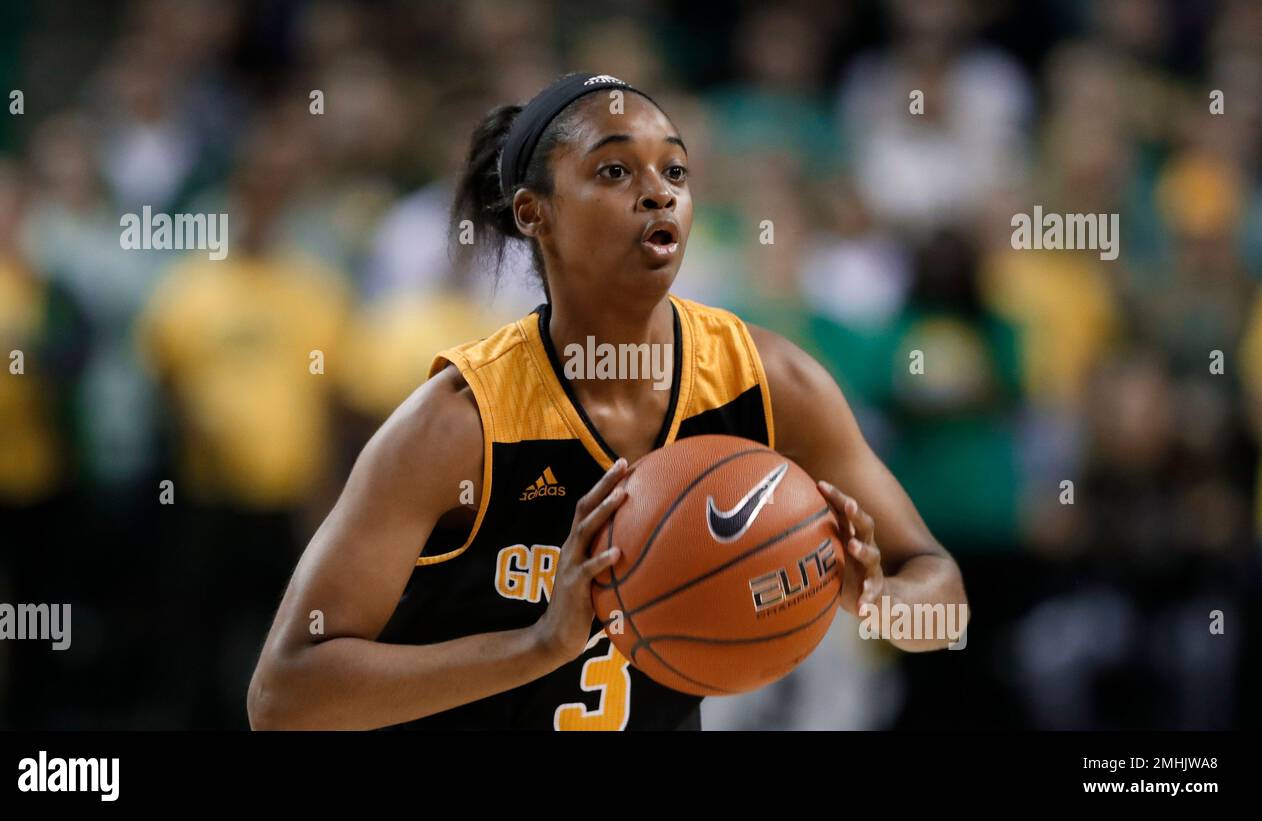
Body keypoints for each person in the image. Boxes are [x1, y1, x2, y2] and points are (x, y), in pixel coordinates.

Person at [247, 72, 967, 730]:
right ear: (535, 213)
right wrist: (534, 647)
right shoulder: (460, 422)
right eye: (615, 170)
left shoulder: (768, 381)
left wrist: (873, 600)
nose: (658, 192)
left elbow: (943, 597)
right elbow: (284, 694)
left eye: (675, 170)